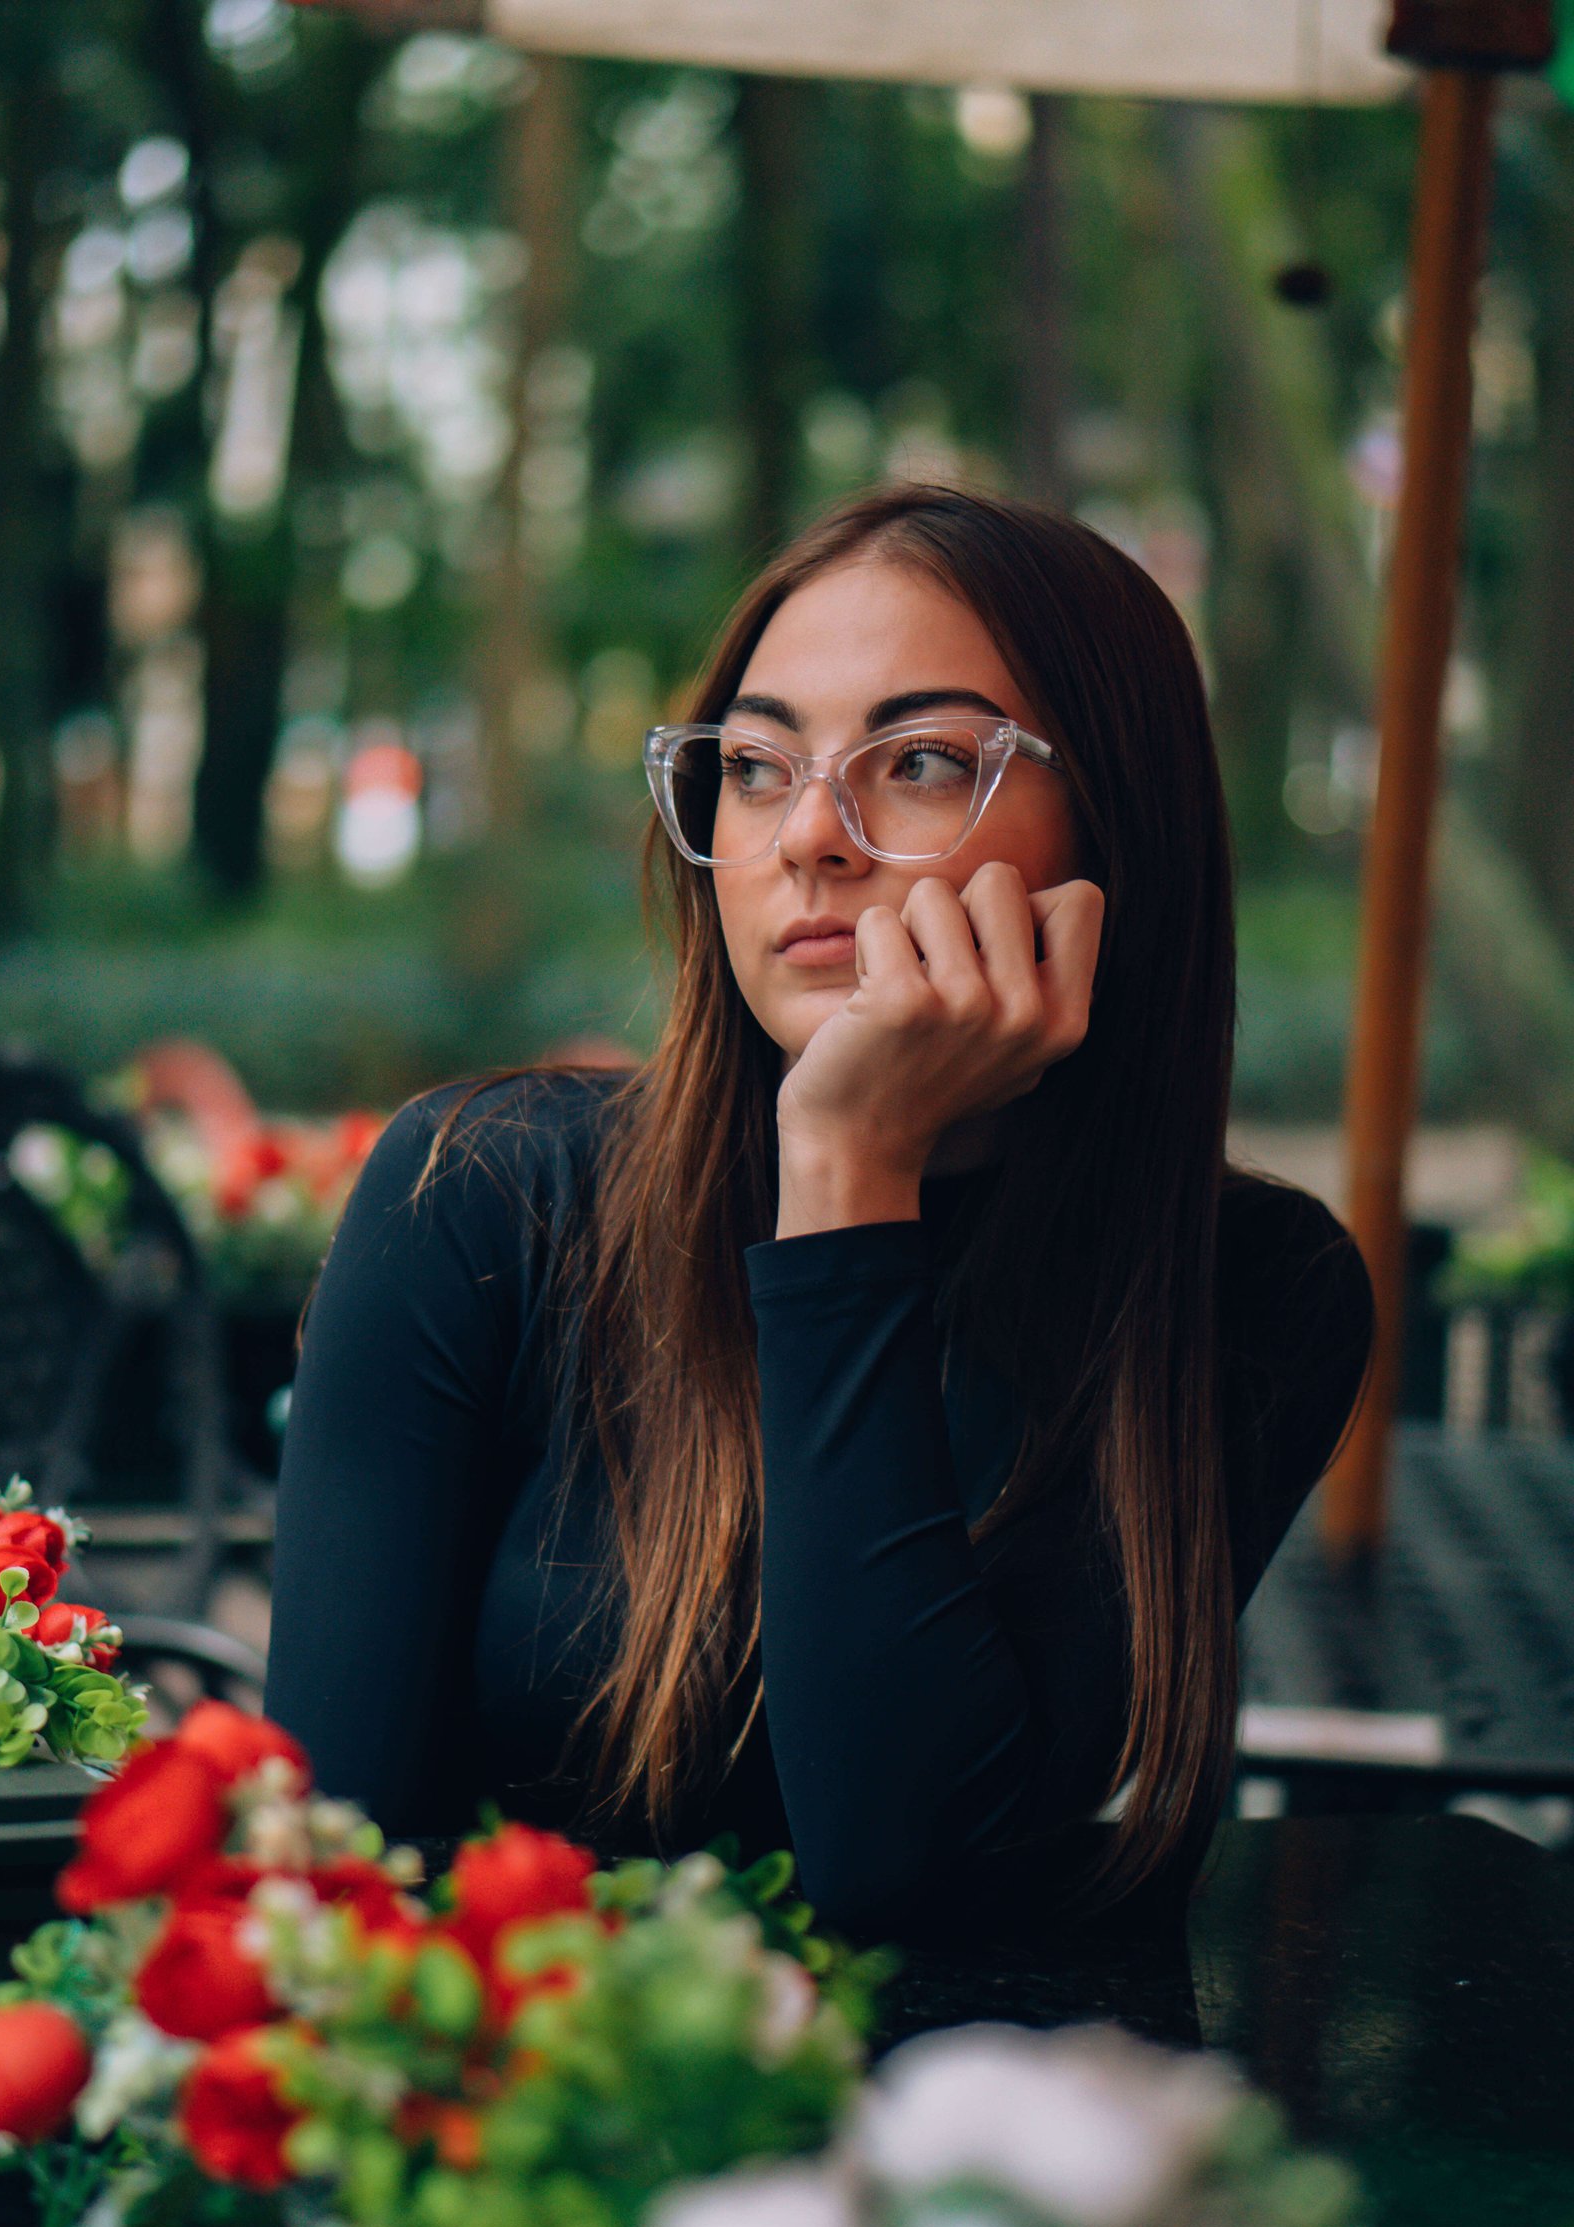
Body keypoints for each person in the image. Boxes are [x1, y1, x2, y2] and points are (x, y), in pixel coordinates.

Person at [264, 485, 1374, 1941]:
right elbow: (318, 1883)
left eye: (916, 761)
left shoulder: (1253, 1290)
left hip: (958, 2146)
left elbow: (902, 1870)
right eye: (757, 763)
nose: (811, 839)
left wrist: (849, 1174)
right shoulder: (476, 1200)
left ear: (1121, 822)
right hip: (501, 2126)